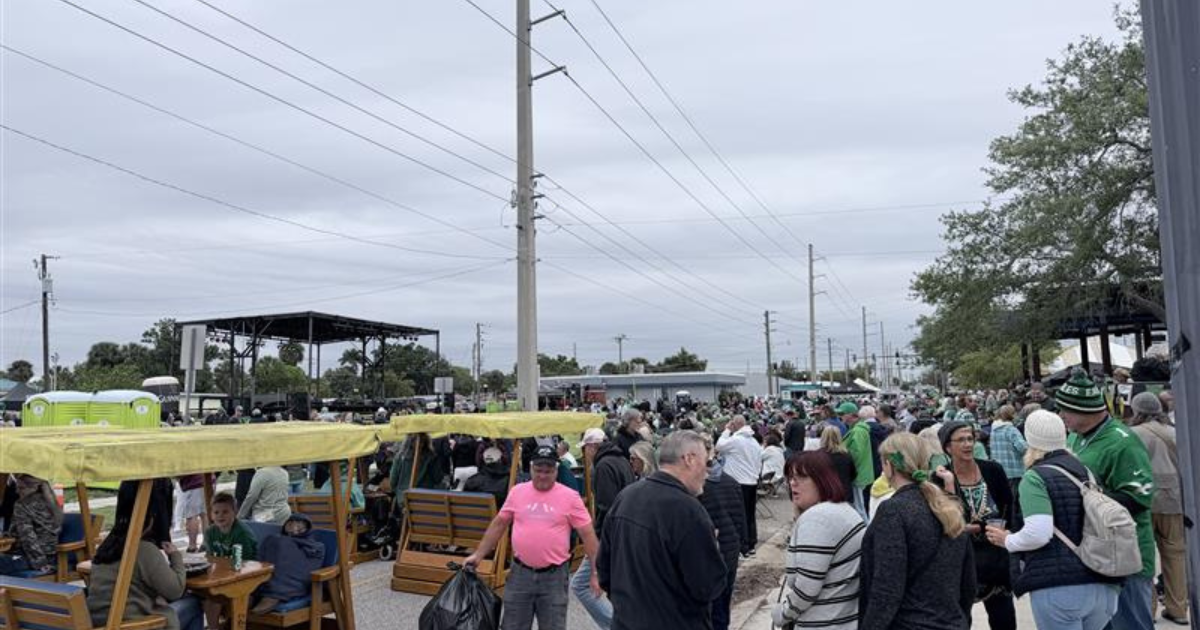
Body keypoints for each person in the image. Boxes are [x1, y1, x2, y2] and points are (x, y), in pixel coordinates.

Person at [983, 410, 1120, 630]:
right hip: (1102, 584)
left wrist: (1007, 540)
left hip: (1060, 587)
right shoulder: (1084, 471)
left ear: (1029, 439)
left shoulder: (1036, 477)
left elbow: (1039, 533)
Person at [597, 430, 728, 630]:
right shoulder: (688, 511)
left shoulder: (626, 497)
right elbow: (708, 586)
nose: (707, 471)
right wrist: (713, 547)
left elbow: (605, 571)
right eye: (706, 462)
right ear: (689, 459)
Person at [1057, 368, 1156, 630]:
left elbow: (1140, 496)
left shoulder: (1122, 442)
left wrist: (1085, 498)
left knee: (1130, 624)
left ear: (1084, 411)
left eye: (1065, 411)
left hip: (1125, 554)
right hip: (1096, 552)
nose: (1061, 416)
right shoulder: (1076, 437)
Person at [464, 445, 599, 630]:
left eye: (548, 471)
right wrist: (478, 555)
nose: (543, 475)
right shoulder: (517, 491)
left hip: (554, 577)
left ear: (556, 471)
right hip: (520, 573)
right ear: (530, 468)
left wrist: (595, 572)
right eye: (538, 470)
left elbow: (588, 534)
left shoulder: (570, 497)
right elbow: (499, 524)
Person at [858, 433, 974, 630]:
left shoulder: (893, 511)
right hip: (952, 622)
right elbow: (968, 582)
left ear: (888, 465)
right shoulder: (948, 508)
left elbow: (887, 587)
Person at [935, 420, 1015, 630]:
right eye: (961, 440)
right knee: (960, 621)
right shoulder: (940, 478)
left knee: (1004, 620)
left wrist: (1009, 534)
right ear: (947, 447)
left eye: (970, 438)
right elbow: (942, 520)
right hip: (961, 560)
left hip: (996, 559)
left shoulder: (993, 470)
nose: (968, 444)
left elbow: (1010, 507)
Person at [87, 482, 201, 630]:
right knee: (193, 604)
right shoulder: (143, 550)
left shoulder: (106, 546)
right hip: (131, 625)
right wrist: (175, 556)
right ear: (152, 516)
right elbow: (175, 590)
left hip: (102, 623)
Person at [771, 451, 864, 630]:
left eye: (802, 477)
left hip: (821, 623)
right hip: (843, 620)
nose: (792, 483)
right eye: (790, 477)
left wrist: (781, 614)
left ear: (823, 480)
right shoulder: (844, 510)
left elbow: (806, 588)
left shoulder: (818, 519)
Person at [1128, 392, 1189, 624]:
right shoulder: (1175, 431)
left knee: (1145, 555)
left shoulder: (1132, 434)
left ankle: (1149, 607)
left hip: (1143, 498)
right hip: (1173, 498)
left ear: (1136, 410)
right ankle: (1179, 608)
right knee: (1175, 554)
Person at [570, 428, 635, 630]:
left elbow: (606, 507)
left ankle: (616, 625)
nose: (586, 455)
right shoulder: (621, 460)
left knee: (580, 585)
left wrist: (597, 539)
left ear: (592, 446)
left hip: (609, 536)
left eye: (586, 449)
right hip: (624, 531)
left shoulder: (604, 466)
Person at [699, 434, 748, 630]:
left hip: (710, 554)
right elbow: (740, 518)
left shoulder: (698, 486)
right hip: (730, 551)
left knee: (709, 611)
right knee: (722, 609)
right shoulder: (731, 481)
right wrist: (743, 543)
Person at [250, 514, 326, 614]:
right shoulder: (277, 538)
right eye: (290, 524)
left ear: (307, 529)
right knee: (273, 540)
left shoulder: (315, 546)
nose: (294, 527)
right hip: (269, 579)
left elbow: (308, 564)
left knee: (283, 543)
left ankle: (275, 594)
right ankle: (256, 590)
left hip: (292, 583)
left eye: (299, 526)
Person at [716, 415, 763, 556]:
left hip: (738, 482)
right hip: (752, 481)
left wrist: (726, 430)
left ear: (735, 424)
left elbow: (718, 446)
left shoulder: (736, 440)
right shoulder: (754, 442)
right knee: (750, 515)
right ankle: (751, 543)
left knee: (738, 515)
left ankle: (743, 546)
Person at [0, 474, 62, 576]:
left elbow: (28, 538)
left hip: (30, 559)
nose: (17, 491)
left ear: (35, 487)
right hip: (50, 558)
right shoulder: (51, 503)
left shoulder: (22, 505)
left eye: (21, 488)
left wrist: (41, 564)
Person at [988, 405, 1027, 528]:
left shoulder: (993, 430)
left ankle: (1004, 525)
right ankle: (1015, 528)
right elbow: (1023, 448)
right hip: (1015, 471)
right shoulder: (1011, 430)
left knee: (1004, 502)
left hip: (1000, 471)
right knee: (1015, 503)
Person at [841, 403, 874, 519]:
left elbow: (856, 454)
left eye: (842, 414)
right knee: (859, 507)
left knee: (859, 509)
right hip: (860, 473)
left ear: (851, 415)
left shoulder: (858, 431)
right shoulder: (857, 429)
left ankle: (865, 533)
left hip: (858, 475)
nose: (841, 416)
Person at [203, 492, 258, 560]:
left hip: (249, 566)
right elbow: (210, 557)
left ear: (235, 512)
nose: (220, 515)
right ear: (211, 515)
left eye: (225, 512)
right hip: (224, 565)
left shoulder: (241, 533)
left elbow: (244, 561)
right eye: (216, 512)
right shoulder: (210, 532)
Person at [818, 425, 856, 502]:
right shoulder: (846, 455)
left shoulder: (818, 456)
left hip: (825, 493)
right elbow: (853, 474)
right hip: (844, 493)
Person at [175, 474, 207, 553]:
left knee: (191, 515)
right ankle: (206, 543)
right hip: (207, 479)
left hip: (193, 483)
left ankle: (192, 546)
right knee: (205, 514)